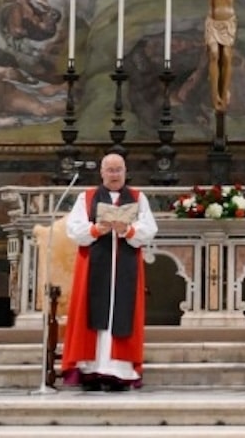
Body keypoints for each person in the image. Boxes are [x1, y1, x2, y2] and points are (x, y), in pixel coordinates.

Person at [60, 153, 158, 391]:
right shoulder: (87, 197)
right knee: (92, 313)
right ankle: (91, 370)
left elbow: (149, 228)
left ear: (125, 171)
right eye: (110, 170)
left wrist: (128, 230)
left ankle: (120, 371)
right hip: (94, 265)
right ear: (102, 172)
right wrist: (96, 229)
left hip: (126, 266)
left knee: (121, 313)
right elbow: (74, 229)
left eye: (118, 170)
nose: (114, 175)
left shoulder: (137, 197)